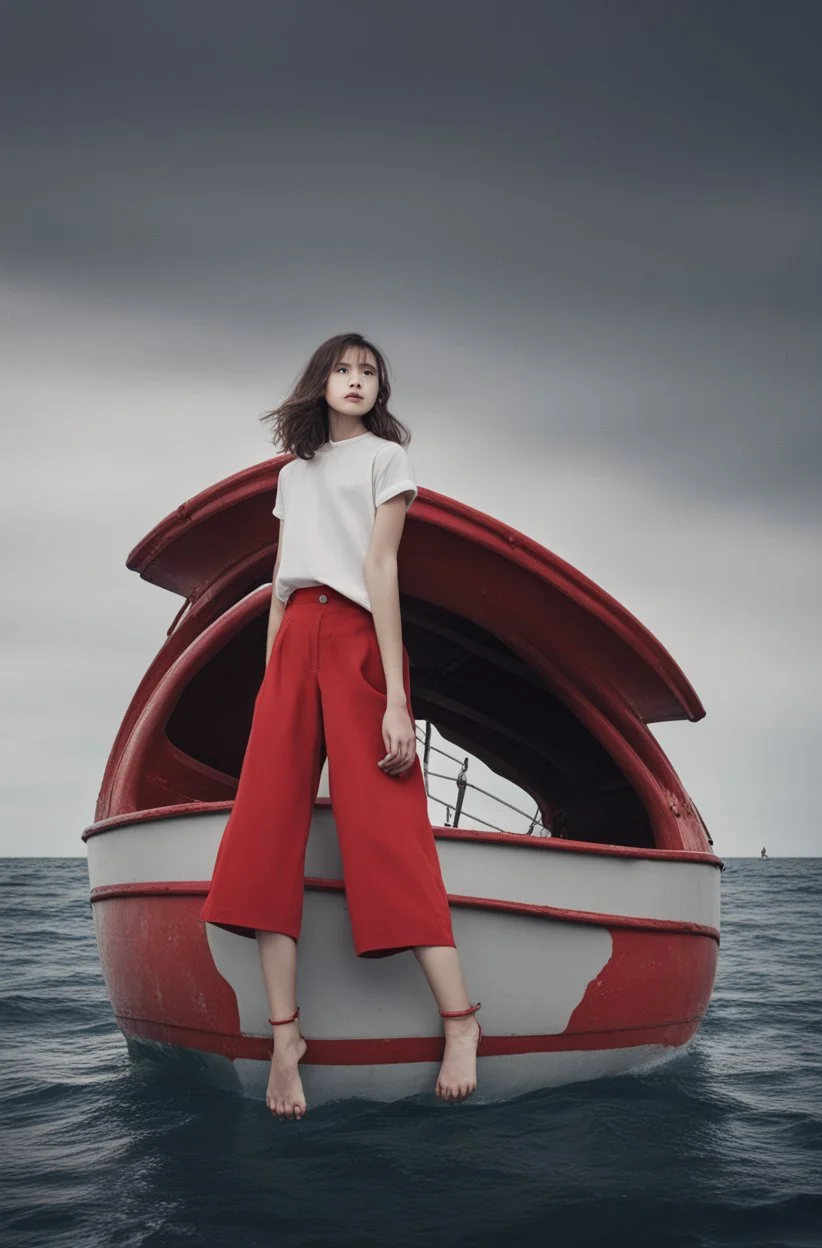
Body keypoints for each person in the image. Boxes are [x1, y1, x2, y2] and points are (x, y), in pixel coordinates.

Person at [200, 332, 483, 1120]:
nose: (355, 381)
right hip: (292, 649)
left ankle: (461, 1021)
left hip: (358, 636)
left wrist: (398, 696)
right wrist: (268, 687)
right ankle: (284, 1038)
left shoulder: (386, 461)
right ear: (319, 382)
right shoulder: (293, 475)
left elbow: (381, 569)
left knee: (390, 829)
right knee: (262, 838)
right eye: (343, 369)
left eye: (369, 373)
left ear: (378, 391)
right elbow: (281, 586)